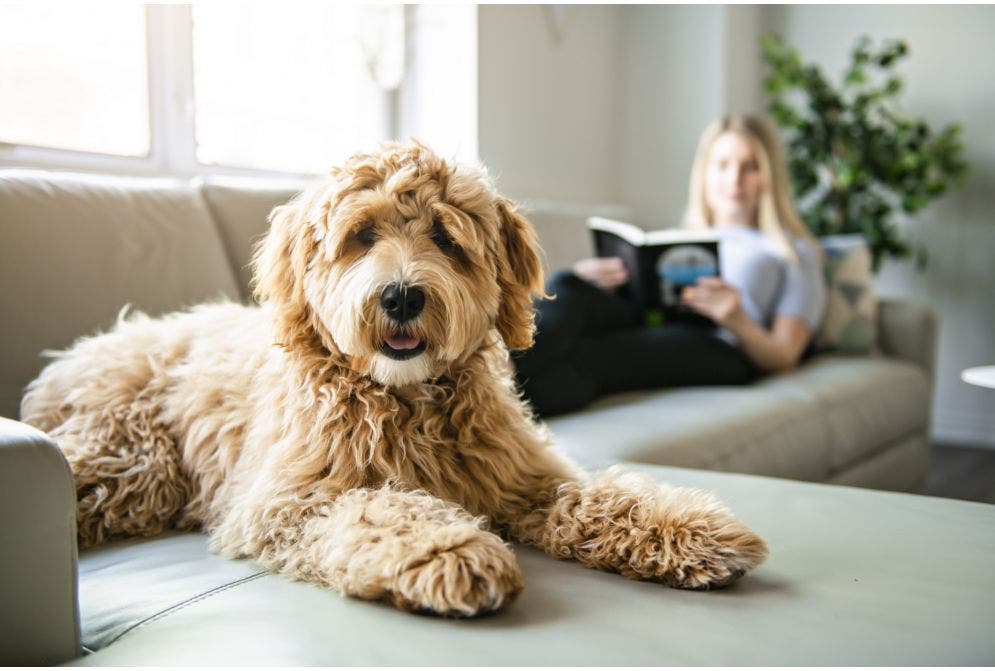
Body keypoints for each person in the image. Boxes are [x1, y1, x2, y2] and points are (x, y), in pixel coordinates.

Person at [513, 114, 827, 417]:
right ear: (704, 174)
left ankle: (489, 398)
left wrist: (737, 319)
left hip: (721, 345)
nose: (734, 179)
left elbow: (785, 356)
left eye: (750, 167)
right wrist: (600, 281)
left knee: (596, 355)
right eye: (722, 166)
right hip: (651, 318)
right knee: (569, 286)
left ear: (769, 176)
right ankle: (496, 371)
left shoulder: (793, 252)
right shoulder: (684, 237)